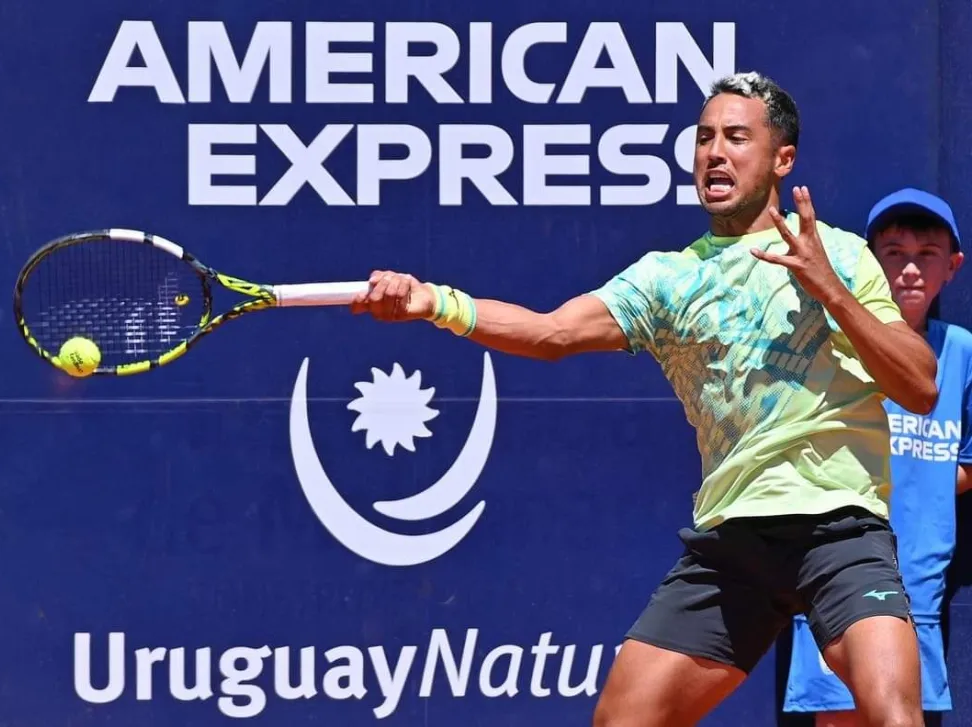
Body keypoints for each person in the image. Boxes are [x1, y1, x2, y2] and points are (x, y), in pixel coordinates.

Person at [351, 71, 940, 727]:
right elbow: (552, 332)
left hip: (839, 527)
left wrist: (831, 290)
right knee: (621, 720)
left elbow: (919, 386)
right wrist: (434, 302)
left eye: (736, 138)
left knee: (893, 714)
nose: (714, 153)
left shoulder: (840, 255)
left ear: (782, 159)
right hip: (733, 539)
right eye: (704, 138)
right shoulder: (668, 277)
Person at [783, 188, 972, 726]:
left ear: (952, 267)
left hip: (920, 595)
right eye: (894, 253)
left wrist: (921, 481)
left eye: (927, 254)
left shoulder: (961, 351)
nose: (910, 269)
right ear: (867, 260)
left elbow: (966, 463)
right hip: (834, 584)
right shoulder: (826, 342)